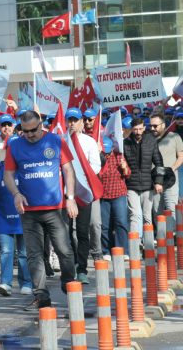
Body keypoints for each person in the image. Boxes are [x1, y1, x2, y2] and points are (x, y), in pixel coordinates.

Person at [3, 110, 77, 312]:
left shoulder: (56, 141)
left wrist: (70, 198)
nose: (30, 135)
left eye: (34, 130)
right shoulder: (15, 145)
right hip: (29, 211)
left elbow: (69, 170)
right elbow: (7, 174)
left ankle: (69, 284)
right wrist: (16, 193)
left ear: (41, 123)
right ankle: (41, 297)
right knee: (34, 254)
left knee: (64, 250)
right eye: (25, 131)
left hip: (56, 208)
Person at [64, 108, 102, 283]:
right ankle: (70, 265)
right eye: (69, 120)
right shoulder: (61, 140)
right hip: (65, 194)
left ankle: (82, 269)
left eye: (75, 120)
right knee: (65, 232)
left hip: (83, 192)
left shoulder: (89, 142)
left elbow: (96, 166)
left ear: (81, 122)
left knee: (82, 231)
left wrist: (82, 175)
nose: (72, 123)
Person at [0, 135, 32, 297]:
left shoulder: (28, 166)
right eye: (9, 148)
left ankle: (26, 283)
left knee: (24, 253)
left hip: (23, 217)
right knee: (6, 251)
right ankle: (5, 283)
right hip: (4, 216)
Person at [123, 117, 164, 239]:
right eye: (135, 129)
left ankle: (148, 244)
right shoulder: (125, 143)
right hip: (131, 185)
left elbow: (159, 164)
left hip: (148, 185)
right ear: (131, 129)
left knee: (147, 216)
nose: (138, 132)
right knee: (134, 215)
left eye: (140, 129)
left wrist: (158, 182)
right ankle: (136, 244)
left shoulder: (151, 142)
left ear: (144, 128)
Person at [98, 137, 131, 260]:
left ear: (113, 148)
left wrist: (124, 168)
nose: (107, 154)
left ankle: (123, 250)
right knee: (104, 225)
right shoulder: (97, 157)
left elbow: (127, 175)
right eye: (104, 152)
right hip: (103, 195)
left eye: (109, 151)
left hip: (118, 194)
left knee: (121, 223)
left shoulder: (119, 156)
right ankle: (106, 251)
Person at [150, 113, 183, 216]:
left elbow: (181, 157)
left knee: (172, 209)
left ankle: (173, 232)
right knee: (157, 211)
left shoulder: (174, 137)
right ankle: (161, 232)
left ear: (163, 125)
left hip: (171, 180)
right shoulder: (147, 138)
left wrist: (173, 169)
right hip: (154, 180)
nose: (152, 128)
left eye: (155, 126)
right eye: (150, 126)